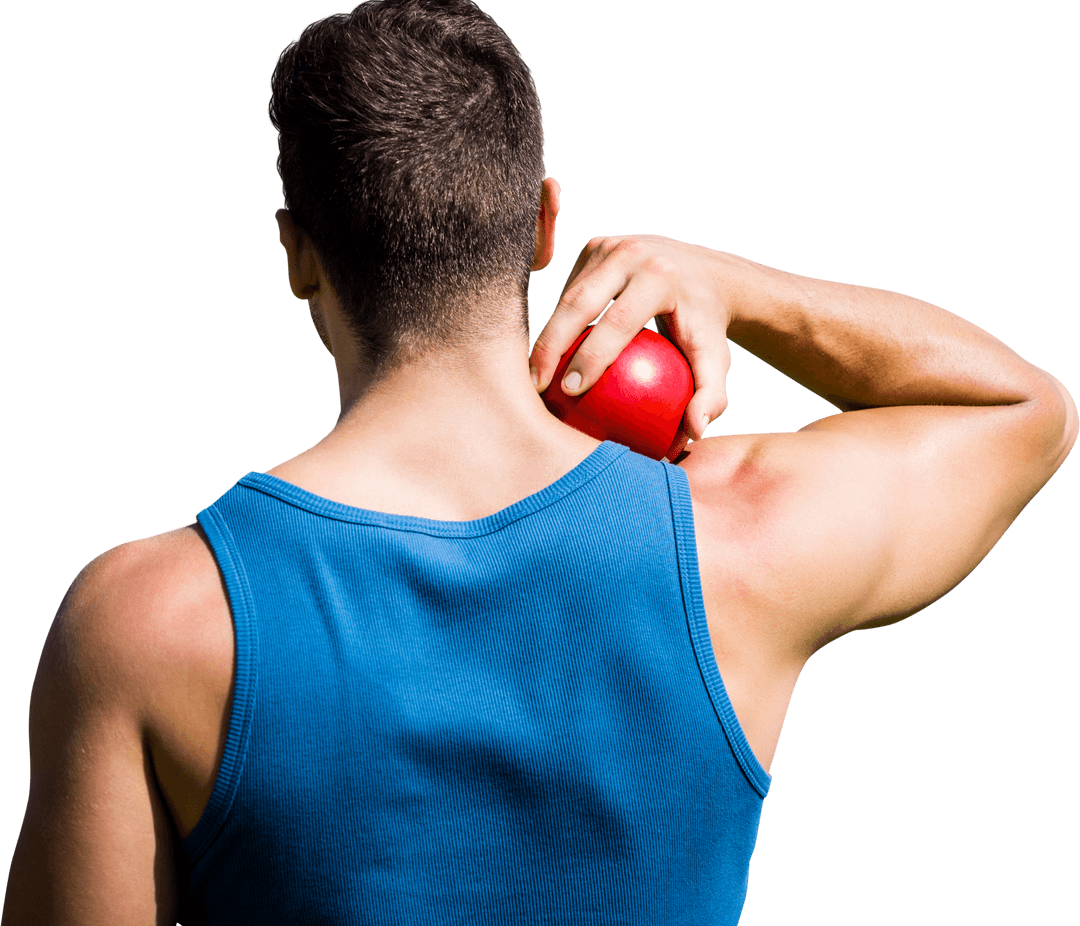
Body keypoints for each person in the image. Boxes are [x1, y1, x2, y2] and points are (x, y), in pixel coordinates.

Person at [3, 0, 1075, 923]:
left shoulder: (145, 624)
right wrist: (731, 286)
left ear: (295, 250)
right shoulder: (736, 542)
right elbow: (1026, 407)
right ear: (542, 224)